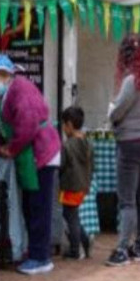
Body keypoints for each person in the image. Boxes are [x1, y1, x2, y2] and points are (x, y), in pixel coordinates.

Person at [0, 54, 61, 275]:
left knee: (39, 206)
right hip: (31, 155)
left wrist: (10, 149)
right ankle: (36, 251)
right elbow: (7, 126)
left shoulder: (21, 90)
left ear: (7, 76)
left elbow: (27, 126)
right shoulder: (8, 94)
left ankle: (41, 257)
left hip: (41, 154)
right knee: (30, 205)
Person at [106, 35, 140, 266]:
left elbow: (118, 112)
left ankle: (122, 249)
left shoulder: (131, 81)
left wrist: (112, 111)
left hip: (129, 142)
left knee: (127, 201)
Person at [58, 106, 92, 260]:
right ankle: (85, 241)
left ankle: (75, 250)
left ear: (69, 125)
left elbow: (61, 165)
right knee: (74, 215)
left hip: (70, 185)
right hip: (83, 185)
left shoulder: (67, 145)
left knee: (70, 216)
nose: (63, 129)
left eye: (64, 125)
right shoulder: (87, 142)